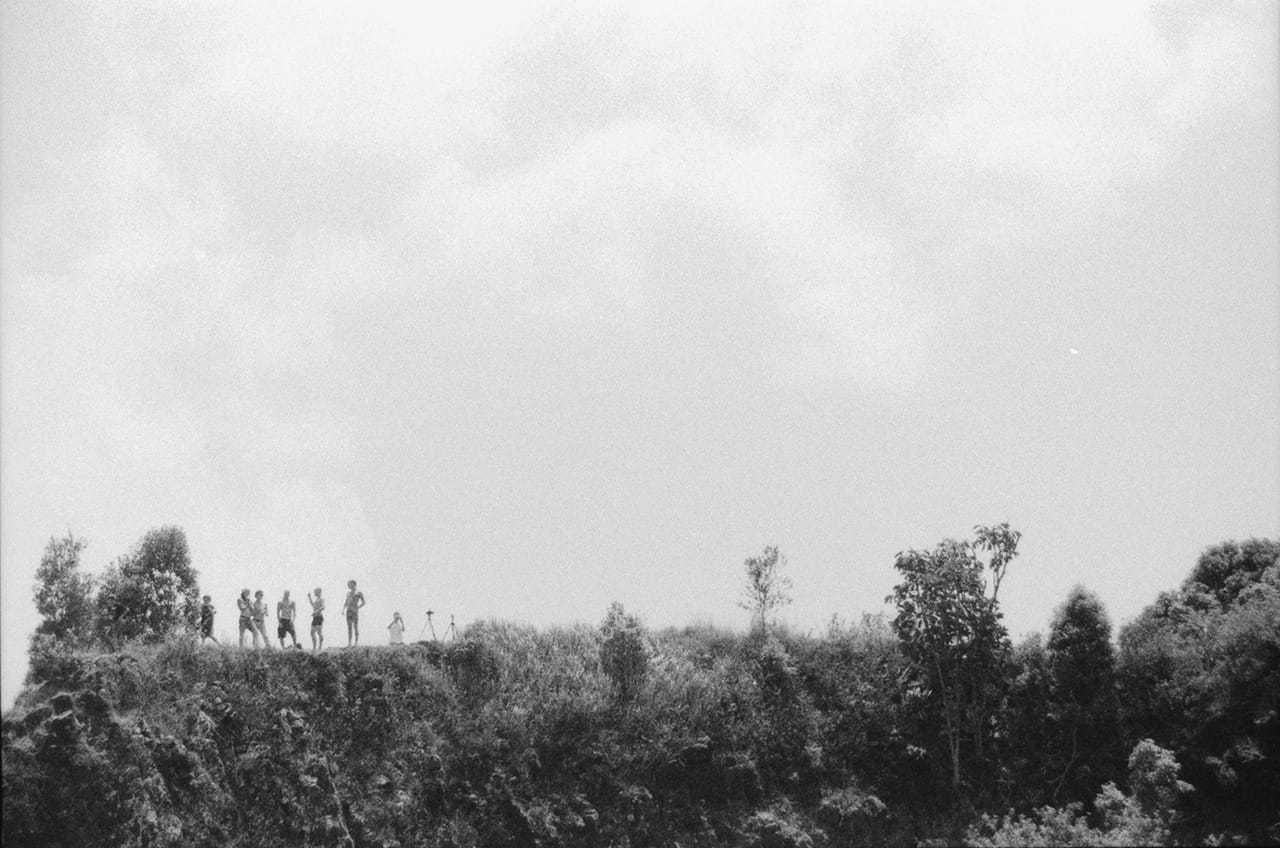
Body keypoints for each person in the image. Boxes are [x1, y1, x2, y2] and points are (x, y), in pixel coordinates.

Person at [342, 580, 365, 647]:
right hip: (348, 611)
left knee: (355, 627)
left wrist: (358, 607)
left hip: (354, 611)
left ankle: (356, 642)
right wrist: (343, 609)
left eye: (349, 584)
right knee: (349, 628)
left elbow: (363, 602)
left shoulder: (359, 592)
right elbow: (346, 602)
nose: (348, 585)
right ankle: (349, 643)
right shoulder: (348, 593)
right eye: (348, 584)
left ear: (353, 584)